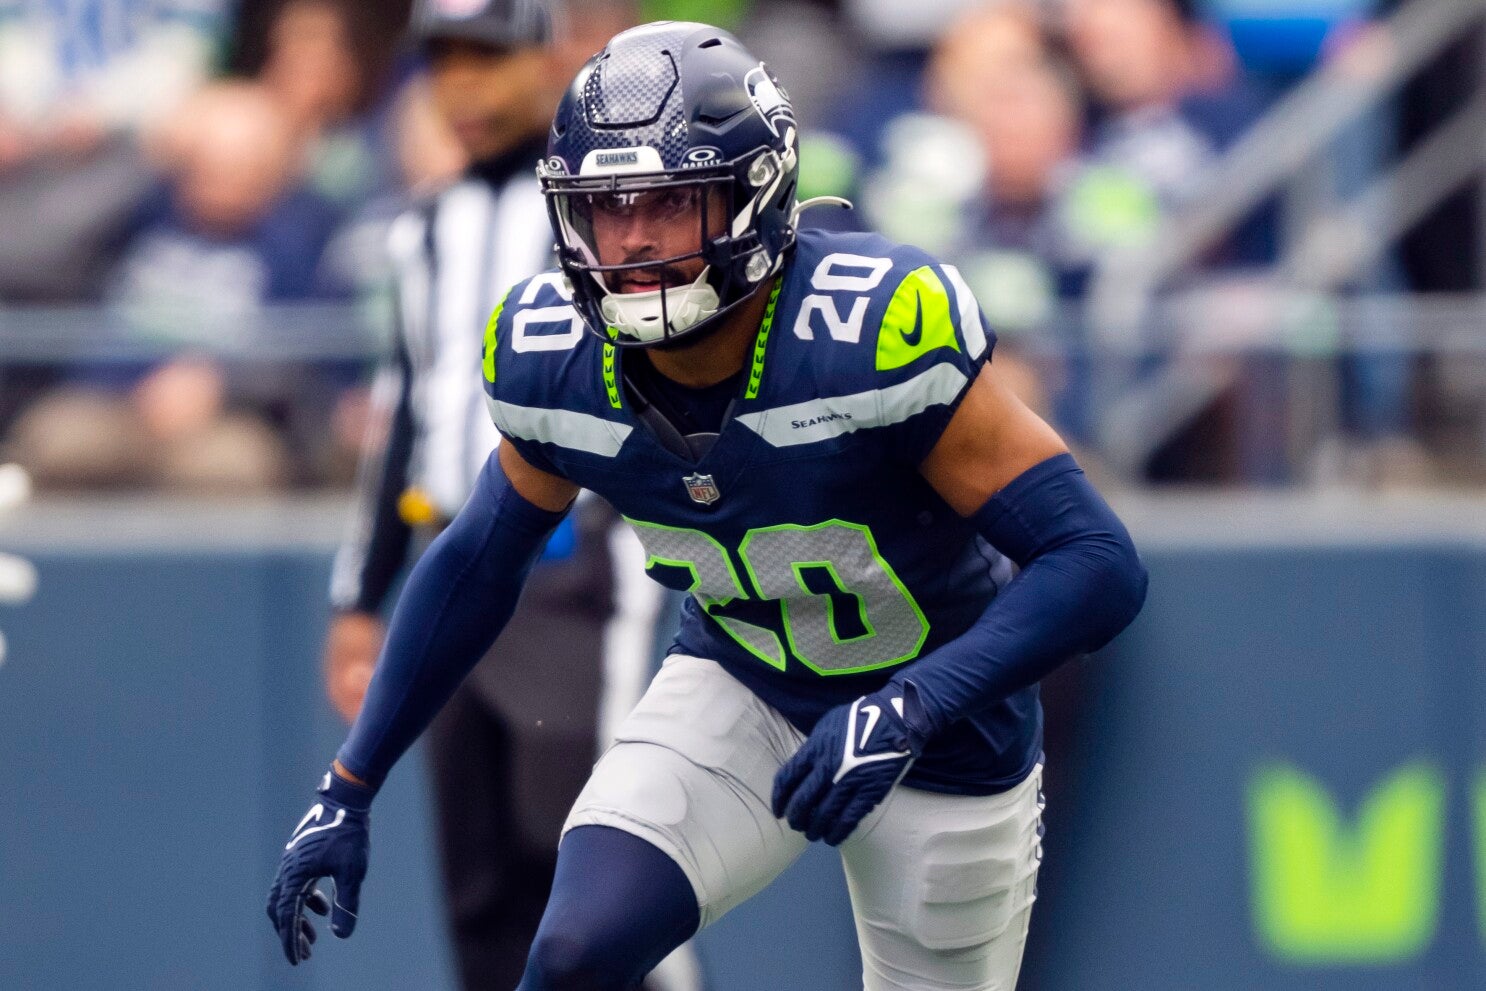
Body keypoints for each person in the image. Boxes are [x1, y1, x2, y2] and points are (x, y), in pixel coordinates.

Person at [270, 21, 1148, 990]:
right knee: (570, 957)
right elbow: (478, 558)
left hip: (947, 720)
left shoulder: (866, 328)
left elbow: (1095, 561)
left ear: (753, 196)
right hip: (744, 683)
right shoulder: (554, 353)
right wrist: (348, 785)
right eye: (607, 209)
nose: (634, 239)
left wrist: (914, 701)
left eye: (669, 202)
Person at [322, 3, 696, 988]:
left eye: (485, 57)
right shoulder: (425, 230)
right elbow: (403, 419)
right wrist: (361, 596)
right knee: (480, 879)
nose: (462, 85)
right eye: (443, 61)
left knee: (602, 861)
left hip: (580, 567)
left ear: (550, 59)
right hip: (454, 567)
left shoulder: (612, 209)